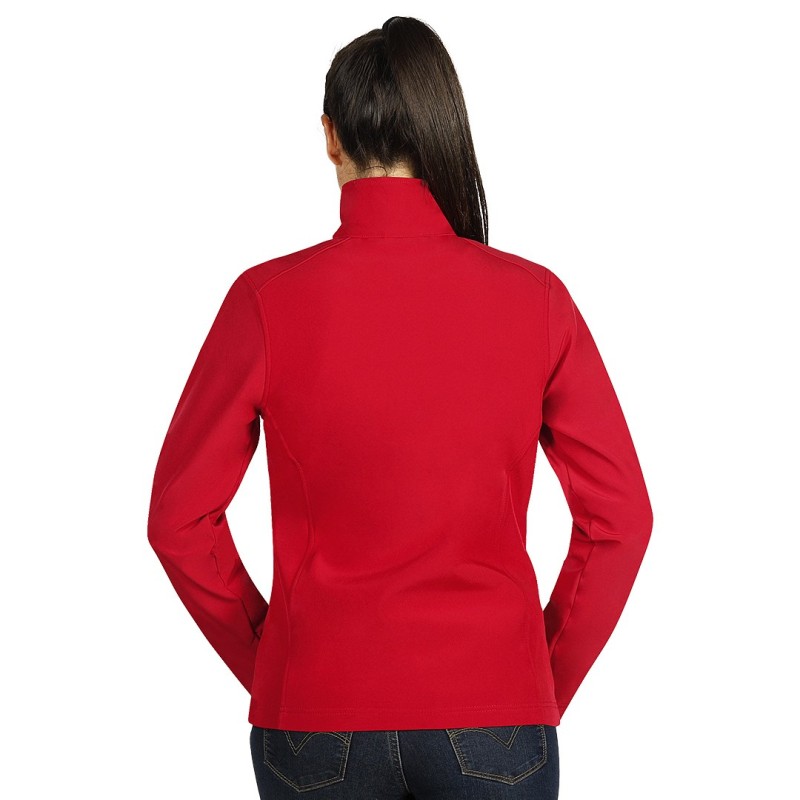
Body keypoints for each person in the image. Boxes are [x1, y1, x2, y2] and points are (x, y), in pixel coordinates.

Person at [147, 15, 653, 800]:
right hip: (496, 708)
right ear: (439, 128)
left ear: (329, 137)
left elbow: (179, 520)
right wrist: (534, 676)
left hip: (315, 711)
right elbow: (620, 519)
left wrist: (277, 661)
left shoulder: (266, 301)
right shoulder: (536, 300)